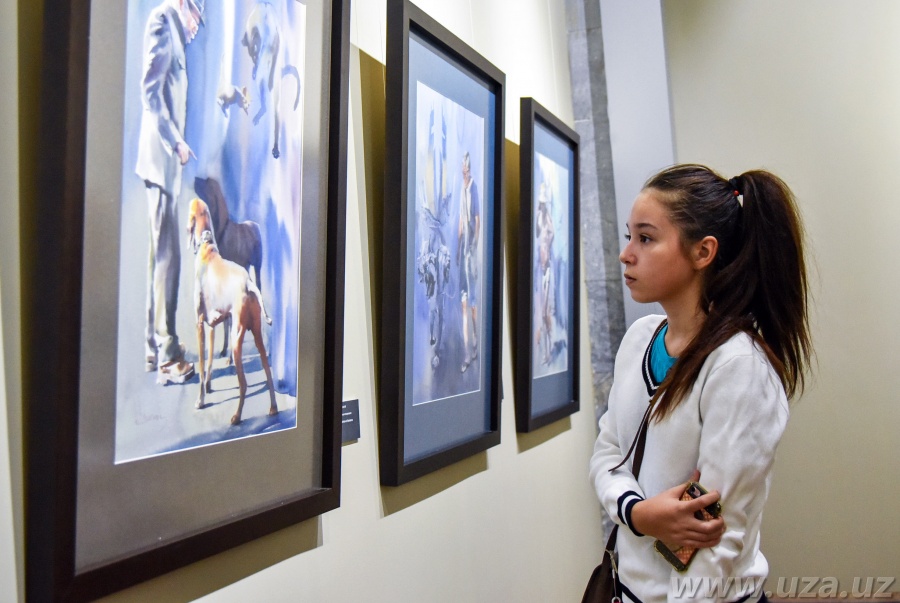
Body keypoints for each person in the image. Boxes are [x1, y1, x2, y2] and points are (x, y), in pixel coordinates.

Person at [590, 164, 812, 603]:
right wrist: (638, 513)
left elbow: (717, 539)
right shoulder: (639, 339)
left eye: (645, 238)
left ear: (703, 252)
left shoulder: (738, 366)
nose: (626, 254)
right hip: (624, 589)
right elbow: (607, 453)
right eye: (629, 237)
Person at [135, 0, 204, 384]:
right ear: (183, 4)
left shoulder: (175, 31)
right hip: (160, 160)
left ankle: (153, 345)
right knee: (168, 258)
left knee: (158, 256)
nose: (197, 26)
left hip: (165, 167)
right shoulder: (163, 21)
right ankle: (167, 356)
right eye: (196, 16)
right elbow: (150, 92)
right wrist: (175, 141)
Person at [457, 152, 480, 373]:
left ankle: (475, 345)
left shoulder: (473, 188)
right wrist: (458, 249)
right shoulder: (461, 189)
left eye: (465, 168)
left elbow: (477, 220)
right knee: (464, 304)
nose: (463, 171)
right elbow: (461, 222)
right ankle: (466, 353)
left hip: (471, 255)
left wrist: (473, 246)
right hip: (464, 251)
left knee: (472, 306)